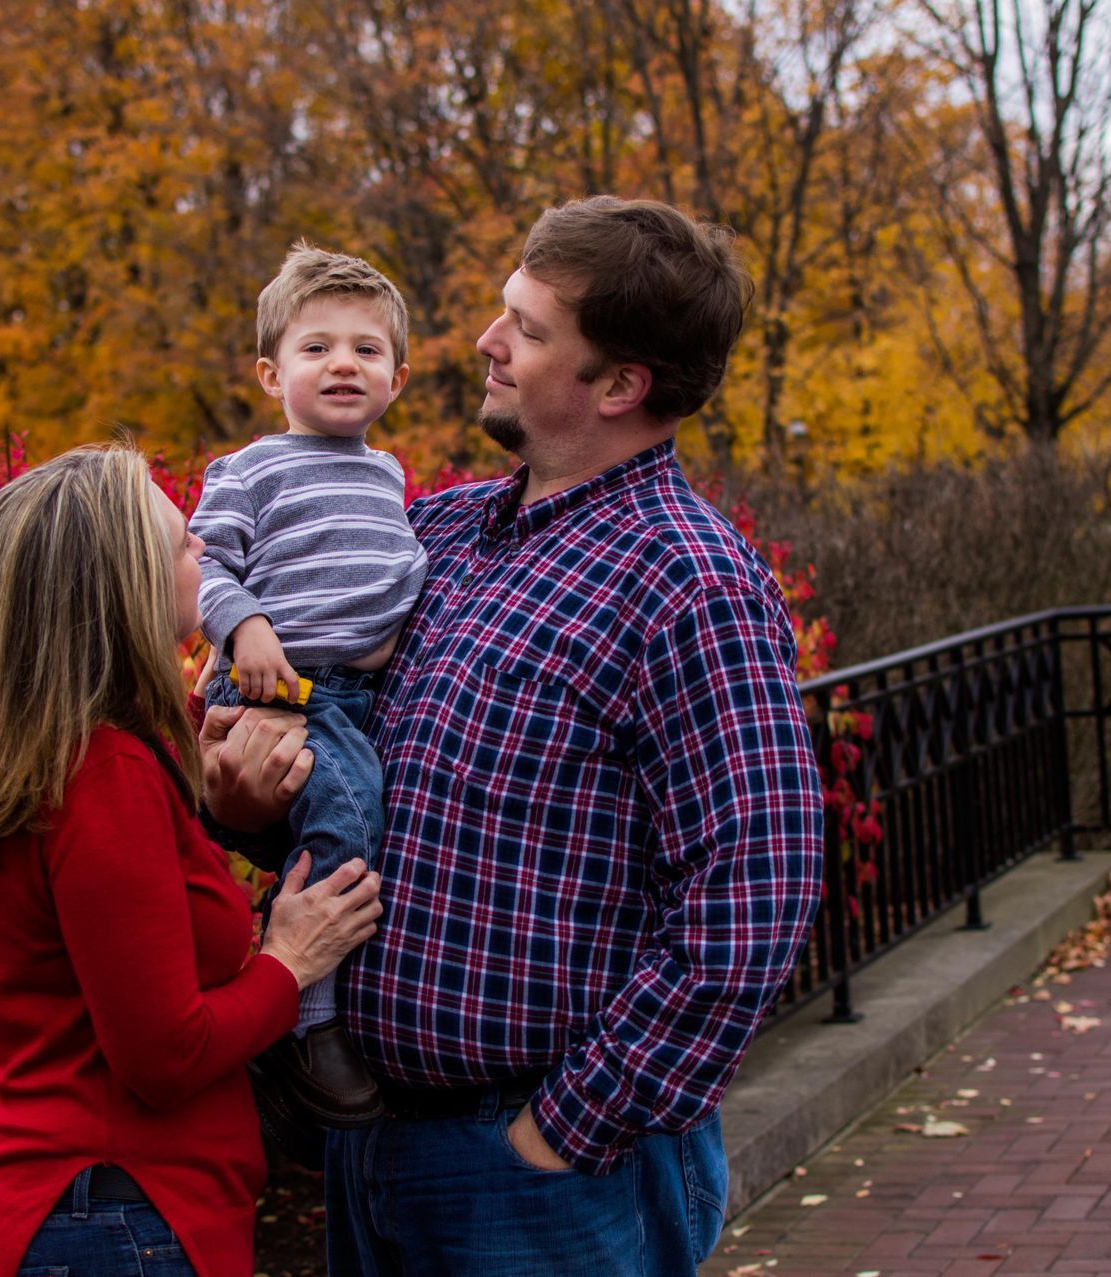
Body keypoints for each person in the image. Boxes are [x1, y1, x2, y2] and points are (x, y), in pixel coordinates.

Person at [207, 196, 826, 1277]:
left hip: (540, 1170)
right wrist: (254, 806)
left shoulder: (688, 581)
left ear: (621, 384)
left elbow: (754, 891)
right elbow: (356, 796)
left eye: (529, 328)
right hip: (376, 1142)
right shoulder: (431, 537)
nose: (488, 342)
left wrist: (567, 1127)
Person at [0, 443, 382, 1277]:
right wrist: (288, 962)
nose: (205, 553)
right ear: (122, 587)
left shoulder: (42, 753)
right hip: (106, 1218)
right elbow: (166, 1056)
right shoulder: (100, 773)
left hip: (37, 1196)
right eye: (184, 544)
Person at [190, 245, 425, 1129]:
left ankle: (336, 1000)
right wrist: (246, 628)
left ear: (397, 377)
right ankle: (308, 1018)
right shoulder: (249, 469)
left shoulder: (390, 475)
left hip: (354, 695)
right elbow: (205, 570)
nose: (342, 365)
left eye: (366, 351)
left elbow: (385, 577)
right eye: (316, 347)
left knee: (358, 822)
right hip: (282, 689)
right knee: (353, 817)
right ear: (269, 372)